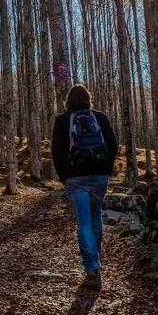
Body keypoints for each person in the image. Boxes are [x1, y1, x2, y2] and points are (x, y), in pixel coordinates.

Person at [51, 84, 117, 290]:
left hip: (75, 178)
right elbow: (112, 146)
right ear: (88, 98)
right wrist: (107, 168)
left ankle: (92, 268)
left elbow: (57, 151)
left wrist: (64, 176)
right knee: (96, 215)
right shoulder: (100, 117)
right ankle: (95, 260)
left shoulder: (62, 120)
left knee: (83, 221)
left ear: (68, 100)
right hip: (100, 175)